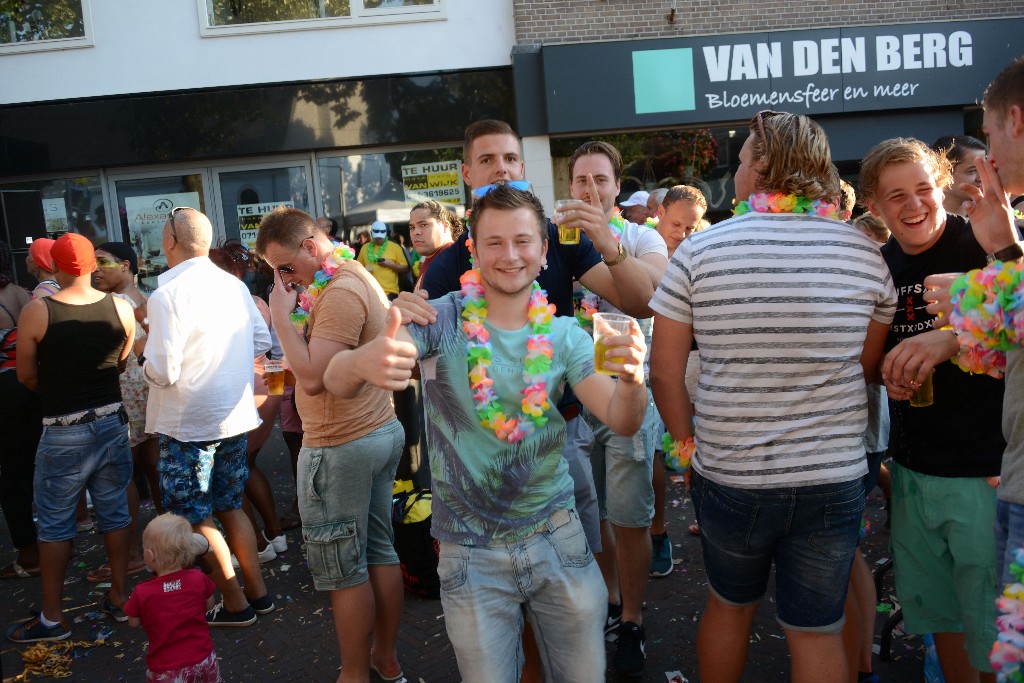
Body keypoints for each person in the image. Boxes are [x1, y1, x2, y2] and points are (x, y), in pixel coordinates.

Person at [323, 184, 650, 683]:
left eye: (523, 241)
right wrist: (362, 358)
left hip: (558, 539)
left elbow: (622, 418)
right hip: (467, 551)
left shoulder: (564, 335)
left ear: (544, 250)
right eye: (494, 242)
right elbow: (336, 380)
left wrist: (632, 380)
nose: (510, 255)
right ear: (473, 250)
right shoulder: (438, 319)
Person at [649, 111, 895, 683]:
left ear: (762, 166)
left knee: (729, 609)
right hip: (832, 477)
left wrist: (686, 450)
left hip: (732, 474)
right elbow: (863, 367)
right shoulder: (864, 255)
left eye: (739, 161)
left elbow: (664, 372)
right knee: (817, 629)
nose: (734, 173)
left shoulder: (700, 252)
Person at [860, 137, 1003, 682]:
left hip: (984, 470)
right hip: (915, 473)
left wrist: (953, 337)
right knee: (944, 622)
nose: (914, 204)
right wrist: (889, 373)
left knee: (993, 635)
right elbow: (872, 364)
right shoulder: (879, 268)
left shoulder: (983, 244)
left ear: (942, 184)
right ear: (874, 206)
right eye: (896, 196)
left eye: (923, 188)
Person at [255, 207, 406, 683]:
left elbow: (317, 379)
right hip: (375, 433)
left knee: (347, 569)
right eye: (274, 272)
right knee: (379, 551)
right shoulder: (346, 273)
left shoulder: (339, 290)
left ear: (312, 247)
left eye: (284, 268)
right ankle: (386, 659)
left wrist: (280, 318)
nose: (282, 279)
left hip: (342, 445)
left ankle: (355, 674)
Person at [562, 140, 668, 677]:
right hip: (576, 397)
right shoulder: (558, 238)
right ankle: (606, 596)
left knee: (628, 514)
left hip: (627, 388)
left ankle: (631, 617)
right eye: (581, 181)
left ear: (617, 186)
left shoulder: (642, 235)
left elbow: (650, 296)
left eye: (600, 180)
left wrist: (606, 242)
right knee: (588, 510)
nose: (590, 190)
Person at [142, 206, 274, 628]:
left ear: (170, 243)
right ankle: (259, 594)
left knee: (198, 514)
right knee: (230, 505)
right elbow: (259, 339)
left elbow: (162, 371)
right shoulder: (233, 286)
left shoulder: (166, 295)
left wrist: (143, 361)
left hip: (189, 422)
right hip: (232, 414)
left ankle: (236, 603)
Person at [8, 233, 137, 642]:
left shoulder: (38, 310)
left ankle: (53, 617)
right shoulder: (121, 306)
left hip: (64, 428)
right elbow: (121, 361)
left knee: (55, 522)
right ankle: (119, 597)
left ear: (57, 267)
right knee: (115, 512)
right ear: (91, 266)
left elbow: (26, 374)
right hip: (111, 420)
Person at [207, 246, 286, 566]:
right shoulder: (254, 300)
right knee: (246, 464)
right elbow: (274, 353)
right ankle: (274, 533)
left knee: (232, 469)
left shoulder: (223, 303)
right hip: (266, 384)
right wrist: (277, 392)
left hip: (249, 386)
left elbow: (264, 348)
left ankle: (255, 545)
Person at [86, 242, 154, 584]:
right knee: (154, 473)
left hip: (126, 396)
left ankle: (129, 556)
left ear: (125, 265)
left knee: (122, 475)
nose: (96, 269)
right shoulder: (150, 300)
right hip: (152, 394)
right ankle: (166, 547)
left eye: (103, 263)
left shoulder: (112, 304)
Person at [649, 184, 708, 571]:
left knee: (697, 447)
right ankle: (657, 532)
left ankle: (707, 517)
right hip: (652, 362)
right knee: (656, 450)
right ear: (660, 213)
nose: (681, 234)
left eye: (690, 227)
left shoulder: (703, 250)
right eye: (675, 224)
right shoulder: (644, 250)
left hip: (694, 362)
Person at [125, 513, 220, 683]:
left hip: (167, 669)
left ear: (150, 555)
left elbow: (133, 622)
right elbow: (209, 604)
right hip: (203, 659)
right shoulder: (198, 578)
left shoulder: (142, 591)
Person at [0, 240, 43, 580]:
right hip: (31, 387)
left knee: (12, 476)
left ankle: (29, 554)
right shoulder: (22, 293)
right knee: (34, 465)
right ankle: (54, 540)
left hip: (6, 392)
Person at [409, 199, 461, 290]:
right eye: (412, 227)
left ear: (445, 226)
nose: (416, 232)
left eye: (423, 225)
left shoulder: (452, 259)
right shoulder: (434, 257)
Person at [932, 135, 988, 217]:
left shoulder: (987, 217)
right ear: (942, 173)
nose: (981, 178)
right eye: (972, 171)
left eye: (983, 168)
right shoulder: (923, 222)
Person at [357, 220, 409, 300]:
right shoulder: (364, 248)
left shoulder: (395, 247)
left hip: (389, 293)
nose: (379, 239)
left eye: (381, 237)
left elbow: (405, 268)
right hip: (369, 293)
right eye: (377, 237)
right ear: (371, 233)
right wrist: (364, 270)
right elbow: (358, 268)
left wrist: (391, 264)